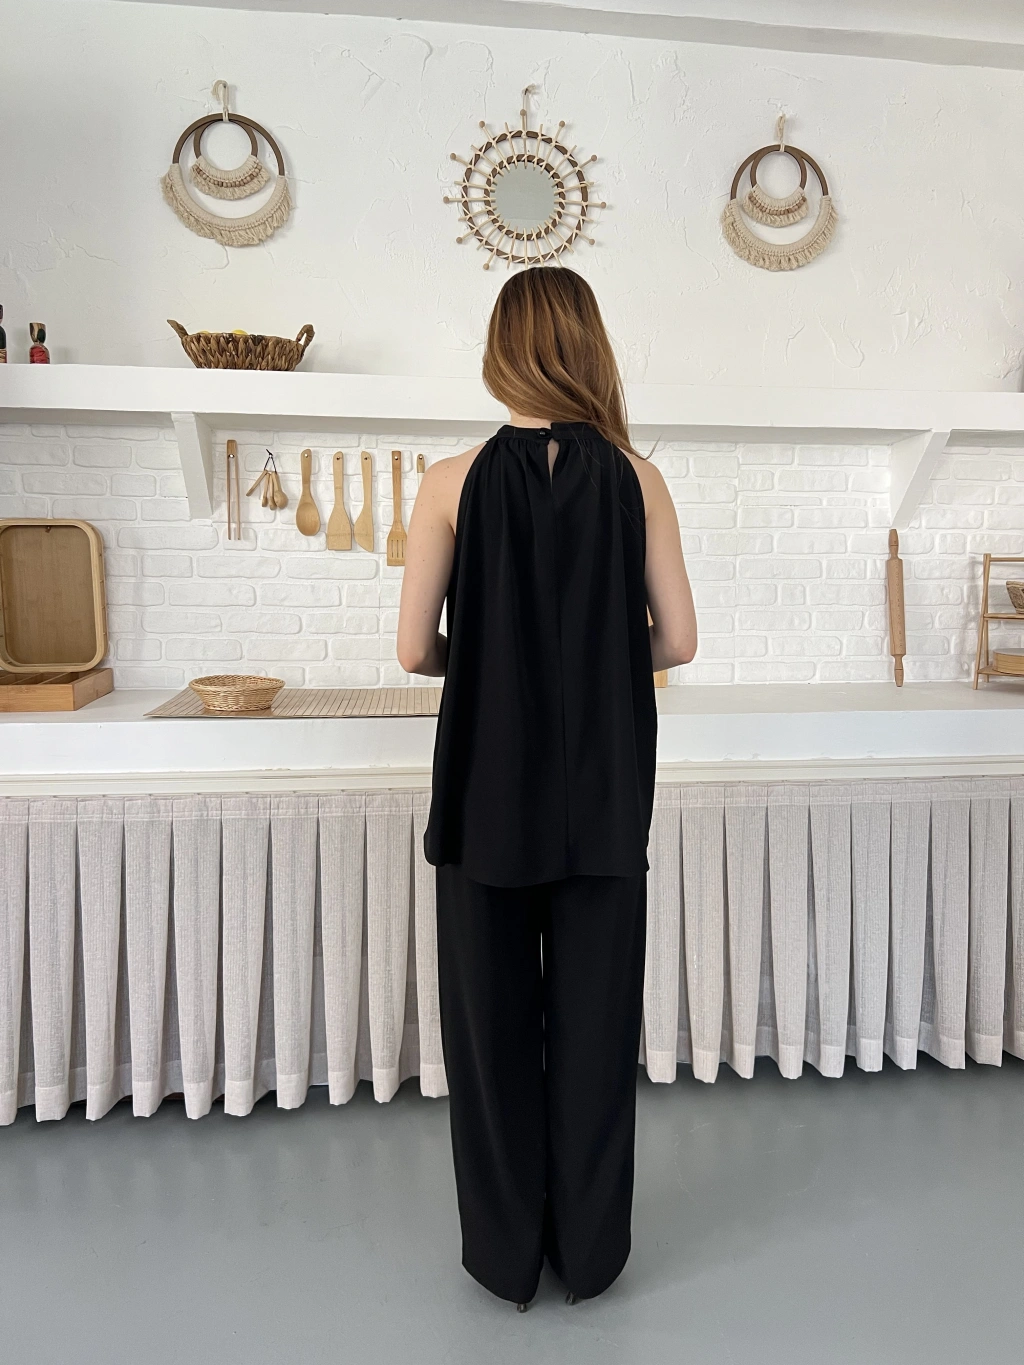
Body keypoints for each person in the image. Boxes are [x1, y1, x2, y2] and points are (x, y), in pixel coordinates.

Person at [396, 266, 696, 1310]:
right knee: (594, 1033)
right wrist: (599, 658)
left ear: (499, 352)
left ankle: (505, 1256)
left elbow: (412, 651)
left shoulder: (447, 481)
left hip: (485, 797)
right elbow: (679, 640)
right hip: (604, 797)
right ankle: (592, 1254)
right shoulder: (638, 478)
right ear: (588, 346)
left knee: (489, 1040)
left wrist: (482, 658)